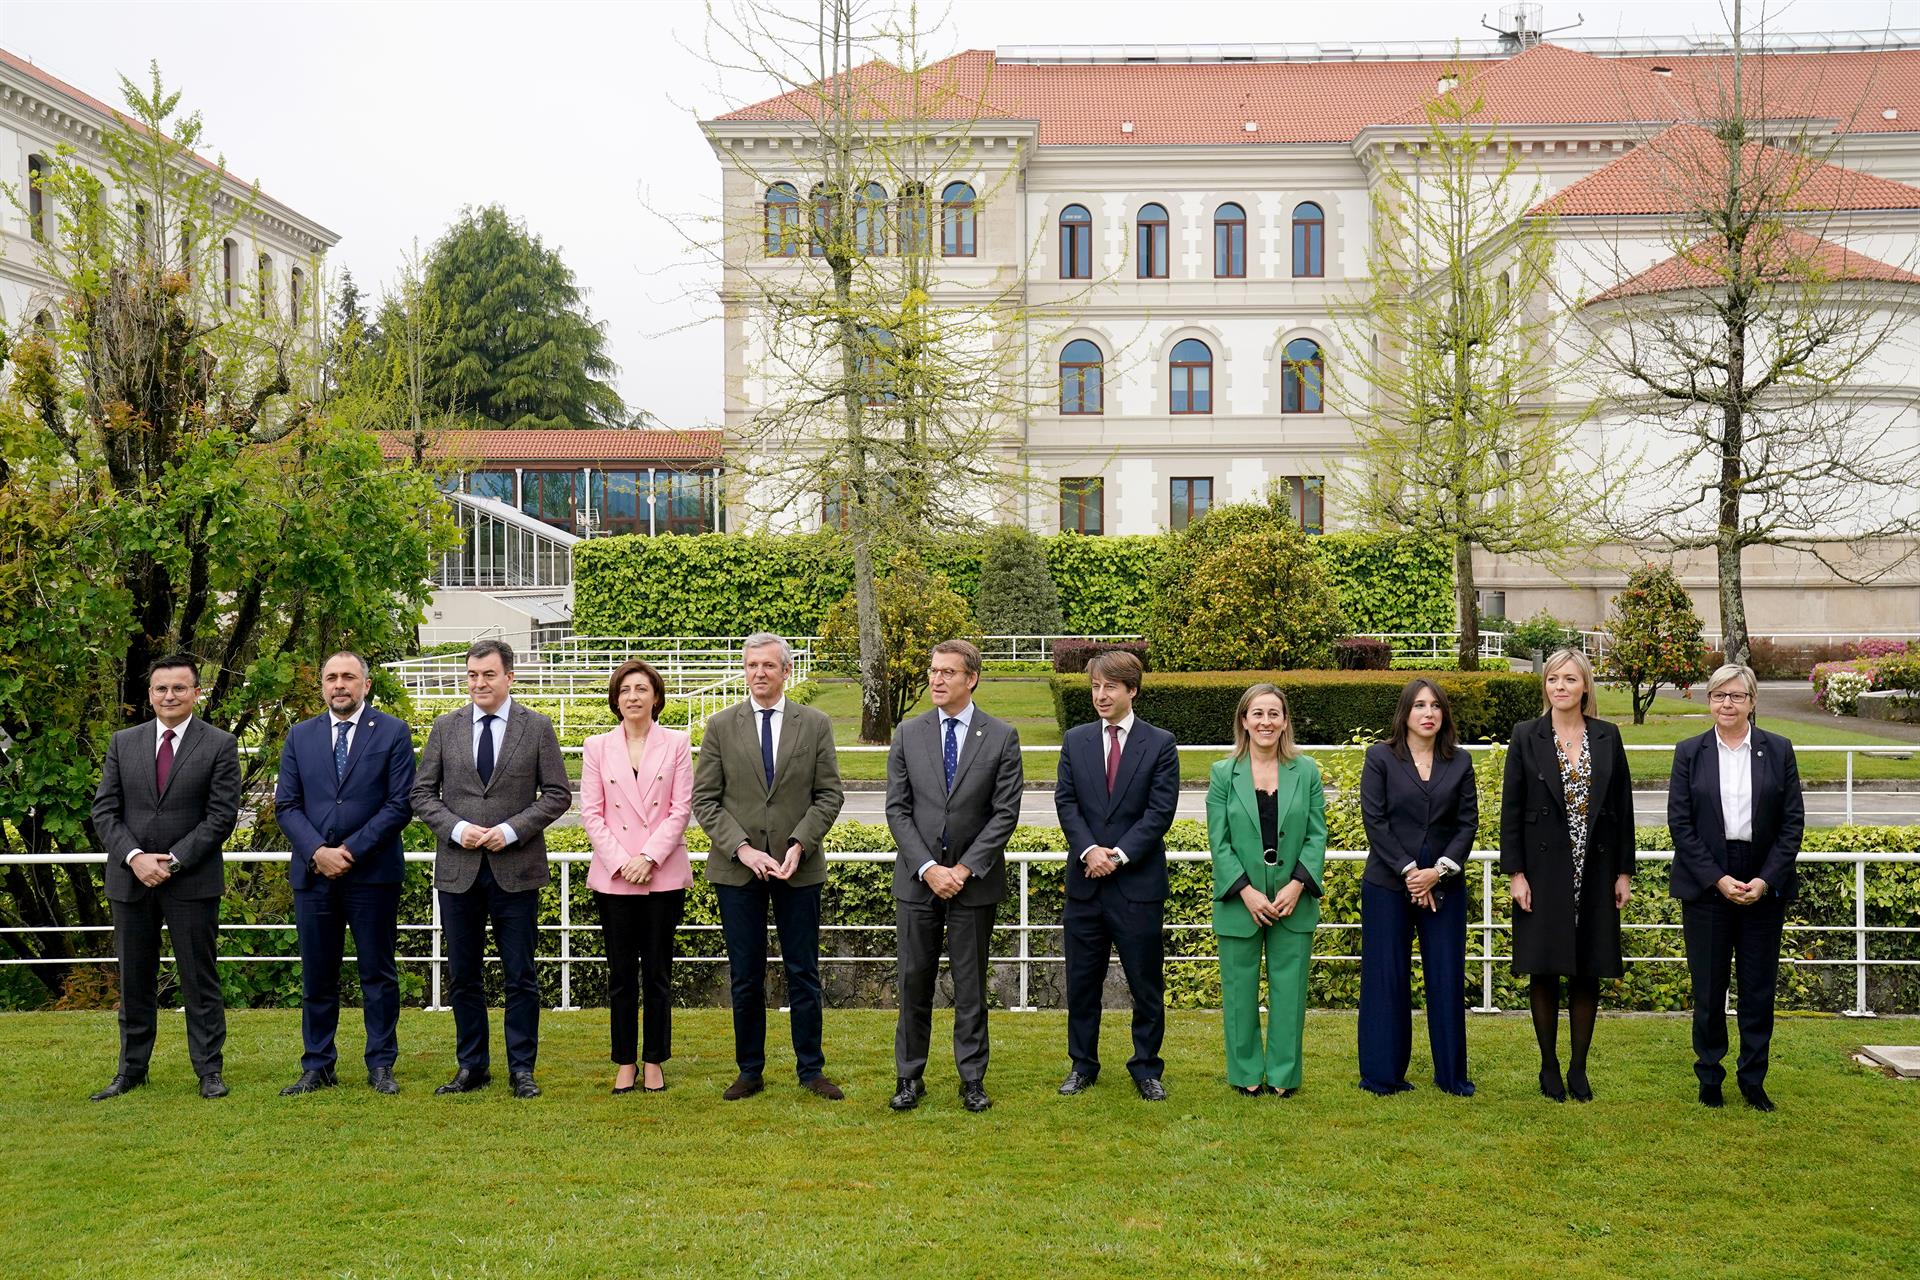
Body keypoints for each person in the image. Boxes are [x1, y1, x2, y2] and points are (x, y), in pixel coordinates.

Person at [410, 639, 571, 1099]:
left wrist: (513, 830)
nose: (479, 683)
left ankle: (522, 1068)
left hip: (516, 867)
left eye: (489, 675)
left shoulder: (536, 727)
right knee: (464, 973)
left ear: (509, 677)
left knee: (520, 973)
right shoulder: (445, 726)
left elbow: (557, 794)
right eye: (472, 675)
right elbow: (422, 794)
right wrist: (457, 828)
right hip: (459, 868)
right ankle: (471, 1066)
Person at [692, 633, 846, 1101]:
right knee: (745, 973)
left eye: (768, 665)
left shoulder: (814, 724)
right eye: (751, 665)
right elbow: (705, 799)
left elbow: (829, 794)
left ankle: (811, 1069)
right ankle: (749, 1070)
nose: (759, 673)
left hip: (799, 869)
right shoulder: (720, 725)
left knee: (804, 970)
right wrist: (742, 849)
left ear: (786, 671)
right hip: (738, 871)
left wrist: (800, 843)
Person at [89, 653, 242, 1101]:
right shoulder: (124, 742)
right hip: (130, 879)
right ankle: (131, 1070)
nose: (169, 695)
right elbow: (105, 810)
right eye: (161, 688)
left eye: (179, 688)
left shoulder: (218, 744)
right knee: (134, 979)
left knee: (200, 979)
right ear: (150, 694)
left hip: (191, 882)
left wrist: (172, 860)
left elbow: (220, 817)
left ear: (196, 692)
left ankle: (209, 1071)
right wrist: (135, 857)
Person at [884, 640, 1024, 1113]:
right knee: (913, 982)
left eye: (947, 672)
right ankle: (909, 1078)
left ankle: (972, 1080)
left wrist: (962, 869)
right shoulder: (908, 732)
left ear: (972, 679)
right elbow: (897, 810)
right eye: (932, 671)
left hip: (974, 885)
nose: (936, 680)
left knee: (971, 986)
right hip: (916, 882)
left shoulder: (1001, 736)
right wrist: (928, 868)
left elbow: (1004, 815)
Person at [274, 651, 418, 1096]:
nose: (340, 684)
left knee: (377, 973)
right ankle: (318, 1064)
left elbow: (400, 804)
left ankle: (381, 1064)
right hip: (314, 874)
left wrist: (349, 851)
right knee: (318, 973)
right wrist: (318, 850)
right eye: (332, 677)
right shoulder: (300, 736)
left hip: (371, 874)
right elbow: (287, 805)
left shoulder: (392, 732)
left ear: (366, 685)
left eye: (349, 677)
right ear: (322, 685)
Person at [1500, 647, 1635, 1103]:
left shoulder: (1607, 736)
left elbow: (1622, 810)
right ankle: (1549, 1067)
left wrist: (1623, 871)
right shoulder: (1526, 736)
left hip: (1594, 868)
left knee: (1587, 969)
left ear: (1585, 688)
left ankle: (1579, 1068)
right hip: (1543, 870)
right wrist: (1516, 873)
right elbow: (1512, 811)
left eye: (1570, 679)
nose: (1560, 686)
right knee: (1545, 967)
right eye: (1553, 678)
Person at [1668, 663, 1803, 1112]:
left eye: (1736, 696)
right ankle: (1709, 1075)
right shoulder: (1689, 752)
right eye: (1719, 695)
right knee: (1708, 988)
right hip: (1708, 880)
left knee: (1758, 988)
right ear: (1709, 701)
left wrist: (1765, 879)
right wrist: (1718, 879)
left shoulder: (1778, 750)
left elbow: (1792, 824)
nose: (1727, 703)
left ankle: (1753, 1078)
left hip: (1762, 876)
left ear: (1752, 701)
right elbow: (1681, 825)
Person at [1054, 649, 1181, 1102]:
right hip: (1086, 884)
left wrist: (1119, 855)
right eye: (1094, 687)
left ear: (1132, 690)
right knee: (1082, 983)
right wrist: (1090, 851)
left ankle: (1146, 1067)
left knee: (1146, 983)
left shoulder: (1160, 743)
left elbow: (1159, 812)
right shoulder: (1076, 740)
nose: (1100, 695)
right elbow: (1066, 803)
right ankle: (1082, 1065)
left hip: (1137, 886)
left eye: (1110, 687)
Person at [1358, 678, 1478, 1097]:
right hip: (1387, 885)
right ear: (1405, 713)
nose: (1428, 713)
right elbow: (1376, 822)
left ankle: (1451, 1076)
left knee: (1445, 977)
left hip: (1444, 887)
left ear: (1444, 714)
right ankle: (1382, 1076)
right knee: (1385, 979)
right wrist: (1412, 872)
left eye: (1436, 706)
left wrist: (1437, 872)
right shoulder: (1380, 758)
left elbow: (1467, 825)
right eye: (1419, 706)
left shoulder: (1460, 762)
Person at [1206, 684, 1326, 1097]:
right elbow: (1218, 842)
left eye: (1274, 714)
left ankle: (1283, 1076)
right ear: (1244, 720)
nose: (1266, 722)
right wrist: (1246, 891)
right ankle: (1246, 1075)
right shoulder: (1224, 773)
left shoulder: (1306, 770)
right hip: (1242, 899)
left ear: (1285, 721)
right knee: (1239, 992)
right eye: (1257, 714)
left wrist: (1297, 885)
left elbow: (1316, 835)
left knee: (1289, 991)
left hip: (1293, 898)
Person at [581, 658, 694, 1095]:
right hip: (614, 877)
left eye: (641, 689)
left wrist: (647, 857)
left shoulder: (677, 743)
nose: (633, 696)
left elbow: (680, 809)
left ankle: (654, 1061)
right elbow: (591, 813)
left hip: (662, 875)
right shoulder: (596, 746)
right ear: (616, 698)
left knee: (659, 974)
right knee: (622, 975)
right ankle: (624, 1061)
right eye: (625, 689)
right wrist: (623, 860)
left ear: (657, 697)